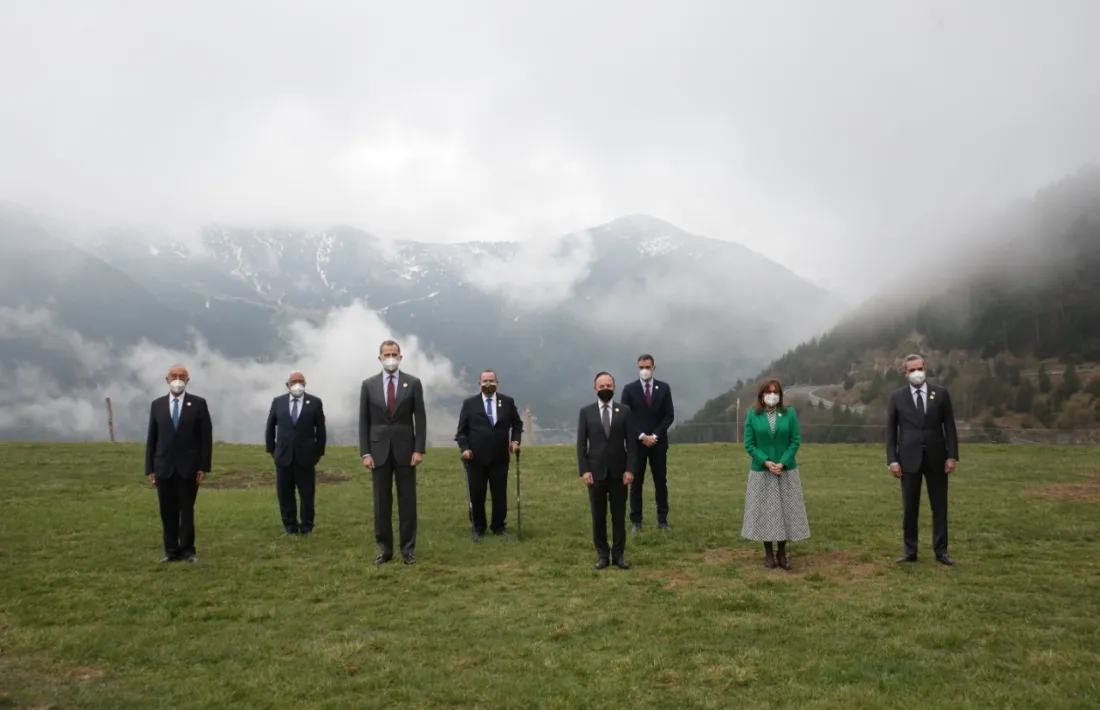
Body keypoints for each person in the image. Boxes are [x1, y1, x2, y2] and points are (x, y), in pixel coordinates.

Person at [886, 353, 959, 566]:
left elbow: (950, 427)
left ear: (925, 368)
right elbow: (891, 432)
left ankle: (941, 551)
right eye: (912, 370)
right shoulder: (897, 397)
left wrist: (952, 455)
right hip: (908, 460)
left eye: (920, 368)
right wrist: (892, 460)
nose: (916, 373)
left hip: (937, 458)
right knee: (910, 507)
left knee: (939, 506)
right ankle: (910, 550)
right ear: (905, 373)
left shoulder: (941, 394)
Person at [359, 339, 427, 565]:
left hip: (406, 451)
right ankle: (385, 549)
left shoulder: (413, 383)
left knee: (407, 501)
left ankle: (408, 549)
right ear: (379, 358)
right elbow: (364, 421)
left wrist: (419, 449)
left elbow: (421, 419)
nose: (390, 358)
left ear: (400, 356)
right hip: (378, 451)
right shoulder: (368, 385)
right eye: (386, 354)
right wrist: (365, 453)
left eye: (394, 354)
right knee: (381, 502)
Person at [144, 364, 213, 563]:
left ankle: (188, 551)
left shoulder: (198, 404)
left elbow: (205, 438)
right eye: (174, 376)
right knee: (167, 510)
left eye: (182, 376)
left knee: (187, 509)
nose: (177, 379)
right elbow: (152, 438)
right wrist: (150, 468)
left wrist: (203, 466)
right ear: (167, 379)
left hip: (189, 467)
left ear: (187, 380)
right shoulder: (157, 405)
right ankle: (171, 551)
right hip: (163, 467)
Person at [741, 378, 810, 570]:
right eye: (768, 391)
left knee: (785, 511)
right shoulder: (753, 416)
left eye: (775, 392)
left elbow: (795, 440)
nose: (772, 395)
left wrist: (783, 462)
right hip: (762, 471)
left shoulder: (789, 414)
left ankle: (782, 552)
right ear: (762, 395)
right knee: (766, 512)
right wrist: (765, 461)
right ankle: (768, 553)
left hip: (785, 470)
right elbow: (749, 444)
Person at [576, 371, 639, 570]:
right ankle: (602, 555)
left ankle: (619, 555)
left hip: (619, 474)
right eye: (601, 386)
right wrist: (584, 470)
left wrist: (630, 470)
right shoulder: (586, 412)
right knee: (599, 516)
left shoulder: (625, 411)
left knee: (619, 516)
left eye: (608, 386)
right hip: (595, 474)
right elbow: (580, 444)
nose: (605, 389)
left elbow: (632, 444)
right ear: (595, 388)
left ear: (614, 387)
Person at [454, 369, 523, 540]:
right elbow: (461, 432)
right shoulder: (470, 404)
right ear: (479, 383)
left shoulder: (507, 402)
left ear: (497, 382)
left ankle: (499, 526)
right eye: (485, 381)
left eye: (491, 380)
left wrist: (515, 442)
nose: (488, 383)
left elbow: (517, 423)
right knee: (477, 493)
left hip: (500, 456)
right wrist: (465, 449)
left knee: (499, 493)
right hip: (475, 457)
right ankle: (478, 527)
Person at [265, 370, 327, 536]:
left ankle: (307, 527)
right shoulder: (278, 402)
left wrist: (318, 452)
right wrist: (271, 449)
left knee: (307, 494)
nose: (297, 384)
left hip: (306, 457)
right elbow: (270, 426)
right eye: (294, 381)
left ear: (305, 384)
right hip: (283, 456)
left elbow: (321, 430)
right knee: (285, 494)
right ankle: (290, 527)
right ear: (288, 385)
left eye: (301, 381)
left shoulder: (315, 403)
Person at [620, 353, 675, 531]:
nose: (644, 370)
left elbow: (669, 416)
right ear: (638, 368)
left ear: (654, 368)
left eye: (647, 367)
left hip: (658, 444)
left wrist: (655, 435)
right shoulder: (629, 390)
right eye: (641, 367)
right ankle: (636, 521)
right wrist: (642, 436)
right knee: (636, 482)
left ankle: (662, 520)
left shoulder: (664, 388)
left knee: (660, 481)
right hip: (637, 444)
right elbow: (625, 416)